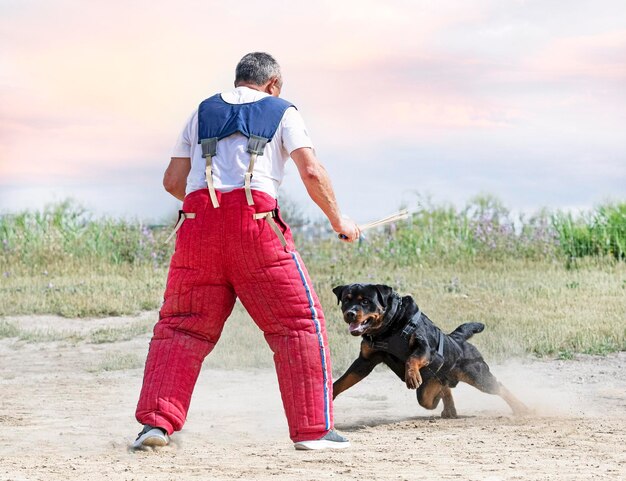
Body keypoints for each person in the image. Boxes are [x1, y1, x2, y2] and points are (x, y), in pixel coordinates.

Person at [132, 52, 360, 451]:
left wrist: (206, 206)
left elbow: (173, 181)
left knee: (181, 326)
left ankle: (156, 425)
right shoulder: (283, 111)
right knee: (297, 324)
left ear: (238, 80)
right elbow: (310, 171)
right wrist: (340, 221)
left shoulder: (201, 111)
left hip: (198, 226)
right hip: (255, 225)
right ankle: (313, 431)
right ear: (273, 84)